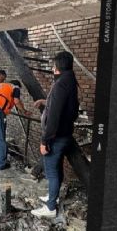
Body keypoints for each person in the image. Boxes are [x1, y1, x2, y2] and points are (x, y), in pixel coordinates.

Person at [31, 51, 80, 218]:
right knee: (56, 168)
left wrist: (45, 140)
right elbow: (67, 107)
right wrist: (46, 102)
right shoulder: (70, 80)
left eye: (54, 65)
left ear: (57, 67)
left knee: (51, 171)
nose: (52, 68)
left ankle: (51, 208)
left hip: (56, 137)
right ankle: (53, 197)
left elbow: (54, 116)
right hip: (65, 133)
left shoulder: (60, 84)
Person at [0, 78, 31, 170]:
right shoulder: (15, 87)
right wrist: (24, 111)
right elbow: (16, 101)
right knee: (0, 138)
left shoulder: (0, 86)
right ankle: (1, 164)